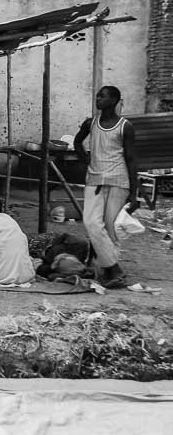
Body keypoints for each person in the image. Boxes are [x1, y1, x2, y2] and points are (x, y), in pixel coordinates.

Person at [74, 85, 138, 288]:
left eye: (102, 96)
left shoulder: (125, 126)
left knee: (110, 227)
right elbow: (77, 143)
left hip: (119, 180)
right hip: (95, 180)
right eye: (97, 96)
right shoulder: (90, 123)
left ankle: (106, 271)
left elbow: (131, 158)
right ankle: (114, 267)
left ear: (114, 100)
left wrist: (134, 193)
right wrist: (86, 160)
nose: (98, 99)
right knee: (91, 223)